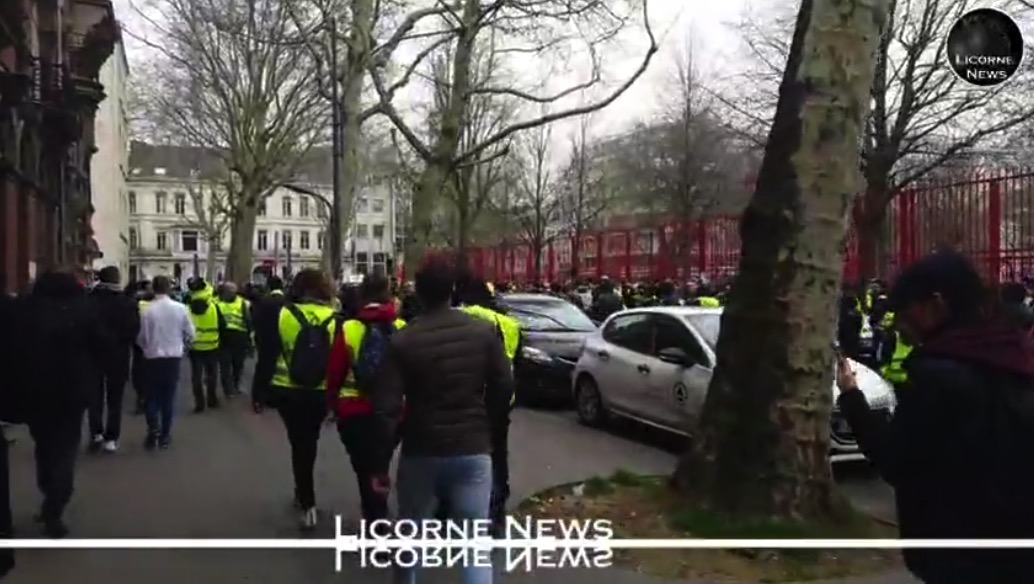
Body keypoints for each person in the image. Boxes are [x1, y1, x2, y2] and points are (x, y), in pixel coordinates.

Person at [835, 251, 1034, 584]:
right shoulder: (1015, 360)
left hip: (959, 555)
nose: (898, 325)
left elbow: (896, 461)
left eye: (903, 312)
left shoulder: (938, 377)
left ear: (935, 304)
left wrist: (853, 399)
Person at [367, 259, 514, 584]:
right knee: (475, 544)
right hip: (473, 449)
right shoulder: (482, 332)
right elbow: (504, 384)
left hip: (422, 449)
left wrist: (379, 464)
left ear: (418, 292)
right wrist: (487, 423)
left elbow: (386, 408)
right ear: (453, 291)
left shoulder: (405, 340)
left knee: (411, 533)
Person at [15, 270, 110, 537]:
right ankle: (56, 503)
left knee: (44, 446)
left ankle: (49, 492)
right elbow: (104, 346)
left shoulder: (27, 312)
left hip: (36, 391)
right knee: (66, 449)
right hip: (73, 391)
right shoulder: (85, 312)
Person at [252, 269, 339, 530]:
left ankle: (305, 499)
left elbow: (267, 354)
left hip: (287, 389)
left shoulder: (284, 315)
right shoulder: (336, 318)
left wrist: (260, 392)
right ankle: (304, 494)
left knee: (299, 443)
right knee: (308, 441)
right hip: (320, 392)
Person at [326, 274, 405, 526]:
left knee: (364, 467)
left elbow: (335, 372)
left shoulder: (349, 328)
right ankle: (379, 511)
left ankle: (374, 516)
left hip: (354, 410)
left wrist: (333, 405)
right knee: (380, 463)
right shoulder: (402, 329)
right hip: (392, 411)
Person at [454, 277, 521, 534]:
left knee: (463, 453)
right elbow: (515, 364)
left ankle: (460, 511)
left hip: (466, 399)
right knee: (498, 455)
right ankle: (496, 513)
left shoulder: (460, 317)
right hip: (501, 401)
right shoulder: (510, 325)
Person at [137, 275, 195, 450]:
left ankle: (152, 428)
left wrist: (147, 348)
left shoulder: (147, 311)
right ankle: (165, 435)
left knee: (151, 397)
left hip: (153, 357)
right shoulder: (181, 308)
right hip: (173, 357)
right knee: (168, 398)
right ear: (169, 289)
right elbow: (191, 333)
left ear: (153, 289)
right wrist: (183, 346)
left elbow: (142, 337)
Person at [87, 266, 140, 453]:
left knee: (94, 397)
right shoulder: (127, 302)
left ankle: (96, 433)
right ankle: (111, 438)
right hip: (118, 355)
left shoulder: (89, 300)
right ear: (117, 280)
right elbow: (134, 329)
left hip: (92, 354)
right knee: (115, 399)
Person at [186, 280, 226, 412]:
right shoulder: (214, 306)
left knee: (196, 376)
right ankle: (212, 399)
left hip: (195, 347)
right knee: (212, 374)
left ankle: (199, 403)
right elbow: (222, 325)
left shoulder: (188, 308)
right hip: (212, 345)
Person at [251, 275, 288, 413]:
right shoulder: (286, 302)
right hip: (282, 338)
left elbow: (256, 320)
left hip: (265, 339)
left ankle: (258, 399)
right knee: (279, 369)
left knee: (263, 368)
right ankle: (273, 397)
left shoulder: (264, 301)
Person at [216, 282, 250, 398]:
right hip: (224, 336)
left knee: (238, 364)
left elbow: (248, 320)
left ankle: (235, 386)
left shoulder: (242, 302)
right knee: (225, 365)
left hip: (239, 336)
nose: (231, 292)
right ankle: (229, 389)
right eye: (229, 290)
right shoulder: (216, 302)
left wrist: (249, 338)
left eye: (233, 290)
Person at [130, 280, 155, 414]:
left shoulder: (137, 305)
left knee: (140, 374)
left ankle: (142, 398)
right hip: (150, 344)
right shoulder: (153, 305)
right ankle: (146, 398)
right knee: (146, 374)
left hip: (140, 344)